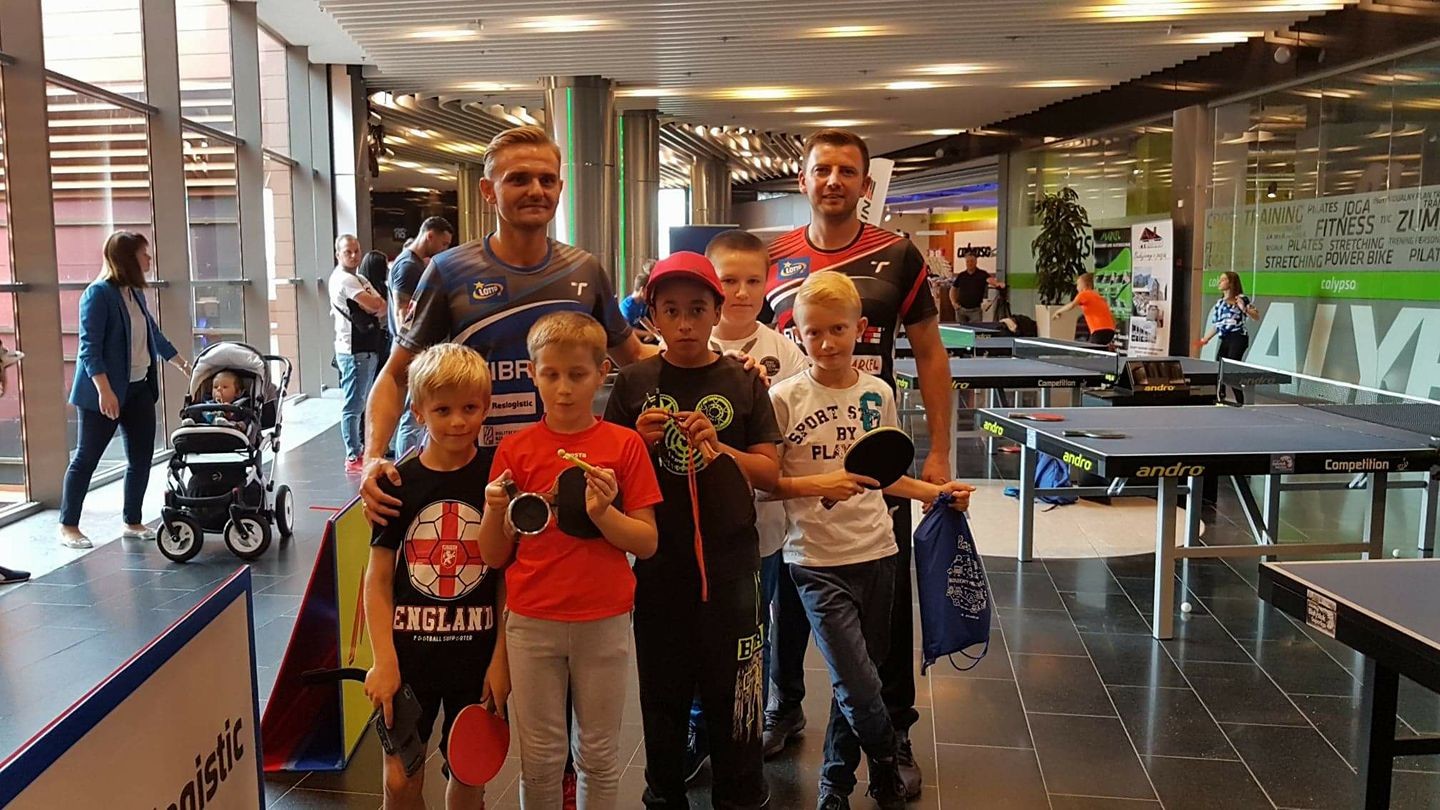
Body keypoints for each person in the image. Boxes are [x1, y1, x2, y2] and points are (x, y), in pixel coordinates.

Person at [762, 129, 953, 795]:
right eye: (822, 169)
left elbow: (930, 352)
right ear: (803, 179)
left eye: (847, 170)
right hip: (796, 453)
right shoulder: (773, 259)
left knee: (882, 607)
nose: (834, 180)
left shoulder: (898, 253)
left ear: (865, 185)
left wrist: (939, 450)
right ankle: (783, 706)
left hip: (876, 454)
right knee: (790, 594)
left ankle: (892, 728)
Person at [359, 125, 655, 526]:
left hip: (563, 475)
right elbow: (397, 376)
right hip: (474, 477)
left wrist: (719, 360)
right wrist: (373, 456)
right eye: (518, 179)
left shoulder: (585, 270)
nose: (536, 190)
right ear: (488, 190)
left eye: (546, 180)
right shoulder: (449, 271)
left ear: (560, 188)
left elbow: (634, 356)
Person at [769, 272, 972, 810]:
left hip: (878, 554)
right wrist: (821, 484)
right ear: (796, 334)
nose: (826, 343)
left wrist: (936, 492)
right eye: (814, 333)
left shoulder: (878, 392)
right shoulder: (782, 398)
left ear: (860, 328)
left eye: (837, 330)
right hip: (813, 560)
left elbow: (884, 475)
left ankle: (835, 784)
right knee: (856, 680)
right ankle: (884, 759)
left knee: (860, 679)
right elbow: (767, 485)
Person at [604, 252, 781, 810]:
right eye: (672, 310)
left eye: (697, 310)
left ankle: (742, 794)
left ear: (716, 312)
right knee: (662, 695)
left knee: (739, 695)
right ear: (652, 315)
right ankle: (664, 793)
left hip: (734, 568)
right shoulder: (633, 382)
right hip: (660, 567)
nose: (684, 323)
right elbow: (605, 476)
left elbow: (769, 473)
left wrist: (720, 448)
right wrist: (635, 444)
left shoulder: (742, 380)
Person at [477, 312, 662, 809]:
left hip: (603, 617)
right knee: (540, 758)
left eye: (577, 375)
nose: (563, 389)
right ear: (532, 373)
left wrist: (602, 513)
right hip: (532, 619)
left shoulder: (624, 445)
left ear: (602, 373)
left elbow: (646, 542)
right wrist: (494, 511)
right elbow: (493, 554)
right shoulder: (515, 450)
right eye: (551, 374)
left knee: (598, 755)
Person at [682, 229, 809, 778]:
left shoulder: (786, 354)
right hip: (695, 525)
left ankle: (749, 720)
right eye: (728, 280)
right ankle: (698, 723)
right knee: (697, 627)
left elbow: (795, 441)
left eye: (752, 281)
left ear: (767, 284)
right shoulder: (684, 346)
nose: (740, 292)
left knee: (754, 628)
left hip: (762, 525)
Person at [363, 343, 506, 810]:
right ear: (418, 412)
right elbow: (377, 580)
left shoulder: (498, 480)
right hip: (409, 661)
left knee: (470, 778)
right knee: (399, 782)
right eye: (443, 410)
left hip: (476, 659)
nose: (458, 422)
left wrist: (501, 660)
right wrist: (384, 660)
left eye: (470, 408)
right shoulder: (396, 485)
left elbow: (507, 579)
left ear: (486, 407)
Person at [59, 231, 191, 550]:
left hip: (138, 388)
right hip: (104, 393)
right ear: (127, 259)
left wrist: (183, 364)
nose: (149, 259)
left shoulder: (134, 293)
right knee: (86, 458)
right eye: (144, 254)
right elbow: (89, 349)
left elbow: (152, 334)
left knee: (141, 458)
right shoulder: (98, 294)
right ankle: (68, 525)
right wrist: (105, 391)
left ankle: (132, 521)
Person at [389, 217, 455, 458]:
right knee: (412, 414)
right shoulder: (408, 266)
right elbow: (402, 313)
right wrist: (410, 354)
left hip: (417, 351)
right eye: (443, 244)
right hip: (413, 353)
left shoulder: (414, 264)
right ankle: (405, 464)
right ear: (430, 236)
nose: (444, 249)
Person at [330, 234, 389, 474]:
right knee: (354, 404)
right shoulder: (344, 280)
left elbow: (382, 306)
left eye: (356, 251)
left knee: (362, 401)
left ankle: (360, 449)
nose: (354, 256)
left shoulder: (360, 278)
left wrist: (373, 304)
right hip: (353, 351)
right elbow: (376, 305)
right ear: (338, 254)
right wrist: (372, 303)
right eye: (348, 252)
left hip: (366, 347)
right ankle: (353, 454)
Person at [1197, 270, 1260, 404]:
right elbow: (1217, 325)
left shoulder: (1241, 299)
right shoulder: (1220, 303)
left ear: (1231, 283)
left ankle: (1240, 401)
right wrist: (1205, 339)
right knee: (1219, 368)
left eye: (1223, 279)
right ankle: (1221, 397)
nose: (1220, 282)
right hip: (1226, 338)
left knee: (1230, 369)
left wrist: (1244, 308)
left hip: (1238, 337)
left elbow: (1256, 316)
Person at [1052, 272, 1116, 346]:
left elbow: (1072, 305)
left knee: (1092, 351)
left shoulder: (1084, 294)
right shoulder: (1098, 296)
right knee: (1099, 350)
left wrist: (1057, 311)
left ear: (1084, 284)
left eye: (1078, 284)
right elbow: (1111, 316)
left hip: (1099, 331)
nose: (1077, 287)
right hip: (1110, 332)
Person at [947, 247, 992, 324]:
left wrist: (998, 284)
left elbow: (991, 281)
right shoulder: (961, 275)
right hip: (961, 310)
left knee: (975, 329)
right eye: (967, 261)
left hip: (976, 311)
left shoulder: (982, 274)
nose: (969, 263)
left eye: (972, 261)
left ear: (976, 262)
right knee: (960, 330)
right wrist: (953, 302)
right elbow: (953, 289)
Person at [619, 259, 658, 344]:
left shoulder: (642, 303)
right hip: (625, 340)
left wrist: (656, 334)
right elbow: (629, 330)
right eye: (648, 290)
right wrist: (649, 334)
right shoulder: (627, 307)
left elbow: (643, 319)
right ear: (642, 289)